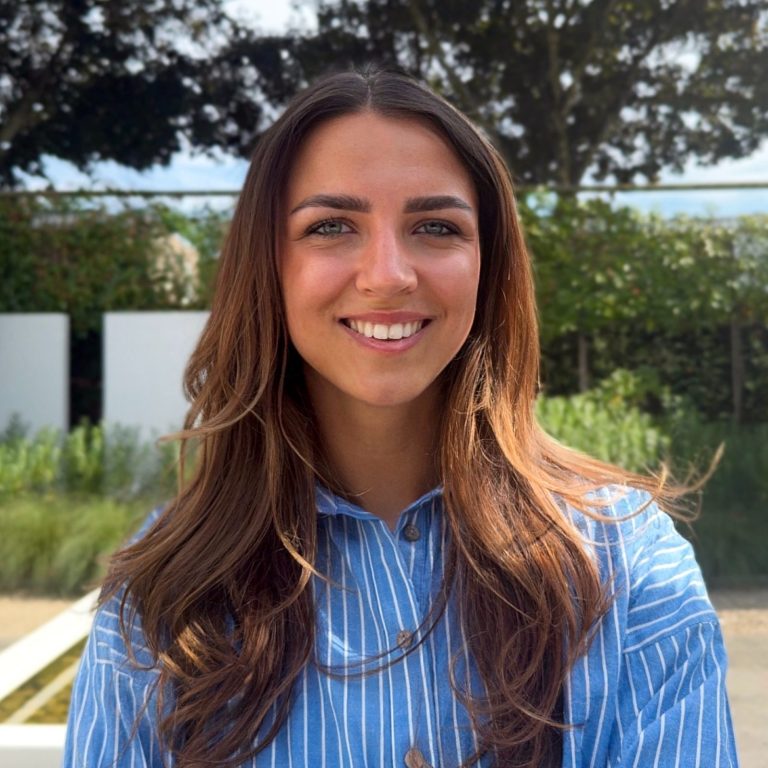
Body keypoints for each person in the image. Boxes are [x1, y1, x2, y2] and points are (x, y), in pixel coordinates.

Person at [63, 68, 738, 768]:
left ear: (488, 265)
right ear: (267, 266)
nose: (387, 274)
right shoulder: (163, 590)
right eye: (330, 226)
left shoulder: (630, 567)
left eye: (436, 227)